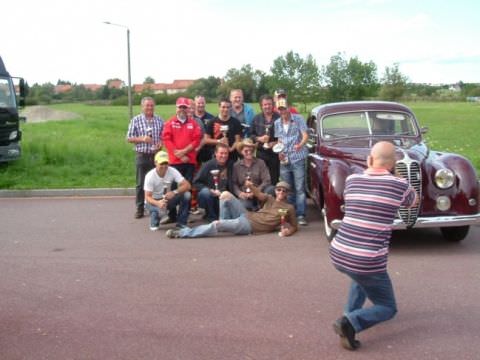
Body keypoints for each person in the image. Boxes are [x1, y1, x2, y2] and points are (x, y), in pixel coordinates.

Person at [329, 141, 418, 351]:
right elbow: (413, 201)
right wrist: (400, 179)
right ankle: (351, 323)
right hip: (367, 260)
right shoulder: (399, 185)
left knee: (360, 277)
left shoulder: (351, 180)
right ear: (393, 163)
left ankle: (348, 317)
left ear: (369, 159)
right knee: (387, 307)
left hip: (339, 251)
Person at [165, 181, 297, 239]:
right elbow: (259, 194)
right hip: (247, 215)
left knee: (217, 224)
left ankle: (182, 233)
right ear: (275, 190)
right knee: (225, 195)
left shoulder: (289, 208)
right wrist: (251, 186)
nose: (281, 192)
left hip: (250, 226)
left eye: (284, 191)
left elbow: (294, 226)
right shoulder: (269, 198)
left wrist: (288, 232)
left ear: (287, 193)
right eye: (279, 189)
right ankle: (224, 223)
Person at [162, 97, 202, 224]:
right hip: (174, 163)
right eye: (180, 107)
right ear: (176, 108)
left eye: (185, 107)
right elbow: (167, 140)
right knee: (173, 189)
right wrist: (178, 154)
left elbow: (196, 140)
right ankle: (171, 215)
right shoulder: (170, 123)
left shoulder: (193, 123)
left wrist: (184, 152)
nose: (182, 109)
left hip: (189, 162)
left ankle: (184, 216)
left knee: (187, 189)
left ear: (188, 108)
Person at [126, 96, 164, 219]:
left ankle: (154, 207)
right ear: (142, 107)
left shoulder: (159, 120)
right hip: (142, 155)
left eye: (151, 105)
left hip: (156, 156)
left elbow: (163, 136)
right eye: (147, 105)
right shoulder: (136, 120)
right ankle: (140, 208)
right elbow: (129, 138)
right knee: (141, 183)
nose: (149, 108)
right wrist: (142, 138)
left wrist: (161, 143)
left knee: (156, 183)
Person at [274, 98, 309, 226]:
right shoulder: (277, 122)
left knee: (299, 188)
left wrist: (300, 144)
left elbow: (305, 135)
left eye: (284, 108)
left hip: (297, 157)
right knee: (287, 188)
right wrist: (279, 152)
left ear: (289, 107)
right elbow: (279, 140)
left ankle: (301, 215)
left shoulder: (298, 119)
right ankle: (290, 213)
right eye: (280, 109)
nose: (283, 111)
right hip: (284, 159)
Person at [144, 151, 192, 231]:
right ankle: (155, 216)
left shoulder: (172, 171)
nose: (164, 166)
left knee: (187, 195)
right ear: (155, 163)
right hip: (152, 201)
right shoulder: (150, 176)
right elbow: (147, 197)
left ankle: (181, 223)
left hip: (166, 199)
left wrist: (174, 192)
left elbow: (187, 185)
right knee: (154, 227)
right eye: (161, 163)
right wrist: (158, 203)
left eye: (166, 163)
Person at [232, 138, 274, 210]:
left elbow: (267, 180)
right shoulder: (236, 166)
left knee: (271, 189)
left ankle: (265, 211)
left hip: (260, 193)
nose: (249, 152)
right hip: (245, 194)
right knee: (245, 206)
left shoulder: (261, 163)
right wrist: (239, 193)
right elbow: (233, 183)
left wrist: (256, 191)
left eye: (251, 150)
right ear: (241, 152)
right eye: (246, 151)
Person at [193, 143, 231, 222]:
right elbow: (196, 182)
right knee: (205, 193)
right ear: (216, 153)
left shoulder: (231, 165)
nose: (223, 156)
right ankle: (211, 217)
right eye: (221, 153)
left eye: (226, 153)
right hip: (210, 196)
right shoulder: (207, 165)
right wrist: (210, 190)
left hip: (224, 195)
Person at [251, 94, 281, 184]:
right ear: (261, 106)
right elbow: (251, 135)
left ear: (273, 105)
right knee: (260, 177)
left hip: (275, 154)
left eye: (269, 104)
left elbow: (284, 136)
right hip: (261, 153)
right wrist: (259, 138)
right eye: (265, 104)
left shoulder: (279, 118)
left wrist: (275, 143)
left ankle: (273, 196)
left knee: (274, 178)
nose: (267, 106)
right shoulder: (256, 118)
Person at [204, 98, 243, 164]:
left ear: (231, 108)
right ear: (219, 107)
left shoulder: (236, 122)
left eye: (228, 107)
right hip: (216, 156)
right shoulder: (211, 122)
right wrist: (219, 141)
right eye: (223, 107)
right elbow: (206, 140)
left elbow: (238, 140)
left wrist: (231, 149)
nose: (226, 109)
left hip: (232, 156)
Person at [192, 95, 215, 163]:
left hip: (208, 150)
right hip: (194, 149)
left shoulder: (211, 118)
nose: (201, 105)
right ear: (195, 103)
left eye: (202, 103)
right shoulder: (190, 117)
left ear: (205, 103)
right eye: (199, 103)